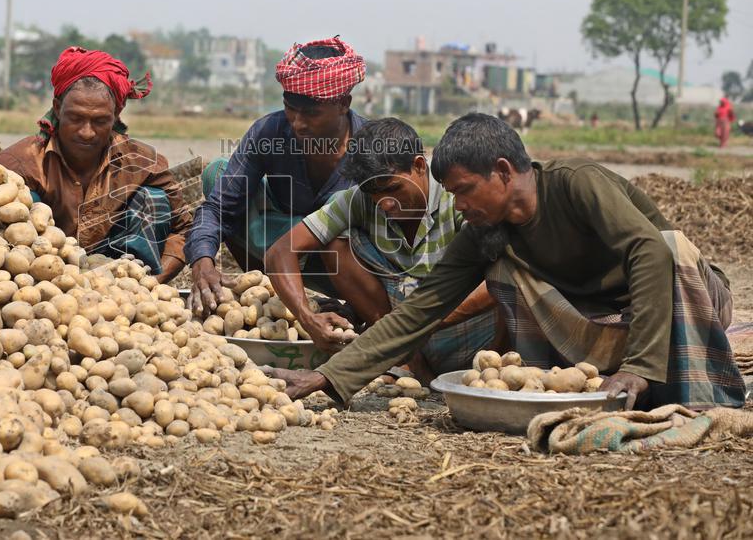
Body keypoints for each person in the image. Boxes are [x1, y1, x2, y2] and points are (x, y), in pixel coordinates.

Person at [269, 113, 744, 410]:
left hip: (682, 300)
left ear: (500, 171)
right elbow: (420, 311)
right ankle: (552, 395)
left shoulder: (577, 183)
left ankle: (695, 395)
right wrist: (330, 377)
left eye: (463, 191)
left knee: (668, 244)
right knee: (507, 271)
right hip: (601, 321)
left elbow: (649, 254)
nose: (457, 206)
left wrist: (640, 365)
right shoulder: (485, 232)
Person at [263, 118, 497, 379]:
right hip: (402, 329)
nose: (384, 204)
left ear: (419, 166)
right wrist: (307, 317)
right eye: (374, 194)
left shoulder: (456, 196)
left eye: (393, 189)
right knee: (336, 241)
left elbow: (500, 278)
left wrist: (422, 321)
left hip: (468, 332)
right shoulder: (362, 198)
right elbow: (280, 251)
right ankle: (408, 360)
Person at [185, 36, 367, 317]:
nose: (298, 123)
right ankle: (265, 289)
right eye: (290, 109)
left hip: (343, 262)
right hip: (278, 245)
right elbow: (218, 209)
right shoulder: (269, 132)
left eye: (311, 113)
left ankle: (357, 307)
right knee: (217, 172)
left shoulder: (371, 147)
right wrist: (202, 258)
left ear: (344, 103)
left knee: (344, 214)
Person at [0, 46, 192, 282]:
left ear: (116, 114)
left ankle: (136, 283)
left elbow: (184, 229)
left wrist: (153, 284)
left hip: (121, 277)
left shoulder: (143, 163)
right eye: (76, 119)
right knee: (21, 200)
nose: (87, 132)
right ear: (58, 109)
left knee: (154, 199)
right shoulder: (19, 163)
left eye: (100, 121)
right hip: (46, 277)